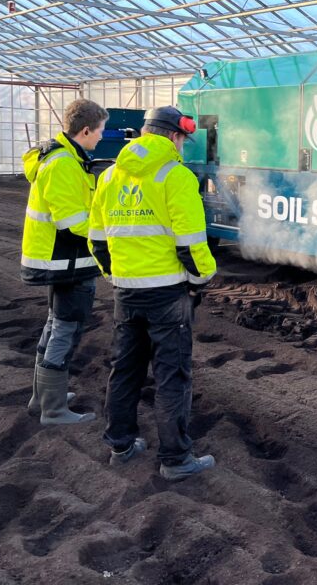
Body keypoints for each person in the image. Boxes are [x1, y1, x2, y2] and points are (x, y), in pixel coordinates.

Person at [89, 105, 217, 481]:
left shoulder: (110, 175)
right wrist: (201, 280)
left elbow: (96, 239)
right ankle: (176, 459)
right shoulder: (174, 176)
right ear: (174, 136)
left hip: (126, 293)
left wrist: (115, 275)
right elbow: (191, 243)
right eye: (182, 139)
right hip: (167, 295)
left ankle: (121, 445)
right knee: (171, 375)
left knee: (125, 370)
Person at [21, 98, 108, 425]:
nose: (101, 137)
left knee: (55, 325)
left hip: (58, 262)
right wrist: (111, 235)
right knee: (65, 331)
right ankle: (53, 409)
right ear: (85, 130)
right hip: (66, 262)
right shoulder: (63, 165)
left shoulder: (63, 158)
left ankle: (42, 397)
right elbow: (73, 222)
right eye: (99, 131)